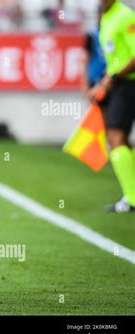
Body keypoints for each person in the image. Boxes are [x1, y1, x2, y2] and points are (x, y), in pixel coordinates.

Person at [88, 0, 135, 213]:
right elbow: (115, 57)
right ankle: (130, 194)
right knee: (120, 139)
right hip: (118, 83)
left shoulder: (126, 15)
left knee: (115, 138)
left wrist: (112, 78)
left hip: (128, 84)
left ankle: (133, 199)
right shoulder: (106, 16)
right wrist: (102, 83)